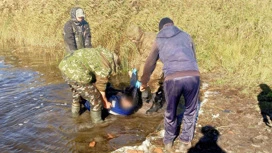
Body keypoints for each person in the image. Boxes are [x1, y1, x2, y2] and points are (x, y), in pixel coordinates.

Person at [140, 18, 200, 152]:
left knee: (170, 111)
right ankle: (185, 142)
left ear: (161, 28)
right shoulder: (186, 35)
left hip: (172, 78)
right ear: (173, 25)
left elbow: (150, 63)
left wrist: (144, 82)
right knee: (190, 110)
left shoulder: (159, 39)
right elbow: (193, 58)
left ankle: (168, 142)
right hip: (193, 75)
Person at [58, 47, 119, 123]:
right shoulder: (106, 64)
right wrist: (105, 102)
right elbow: (101, 86)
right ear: (114, 63)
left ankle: (75, 118)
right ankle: (98, 123)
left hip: (64, 66)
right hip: (76, 71)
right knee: (95, 97)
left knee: (77, 95)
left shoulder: (100, 53)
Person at [126, 25, 164, 114]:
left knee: (153, 79)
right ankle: (149, 95)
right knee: (142, 75)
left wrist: (141, 79)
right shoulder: (141, 39)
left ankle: (157, 102)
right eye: (130, 39)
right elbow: (141, 58)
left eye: (133, 38)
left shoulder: (149, 42)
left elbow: (147, 62)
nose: (131, 41)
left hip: (163, 61)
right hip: (154, 59)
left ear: (137, 35)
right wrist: (134, 70)